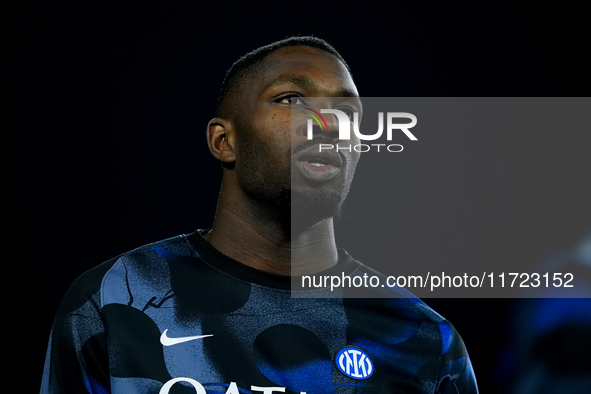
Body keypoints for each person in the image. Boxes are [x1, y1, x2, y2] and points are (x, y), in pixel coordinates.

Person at [41, 36, 478, 394]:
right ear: (223, 141)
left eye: (346, 112)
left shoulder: (423, 340)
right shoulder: (114, 299)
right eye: (290, 99)